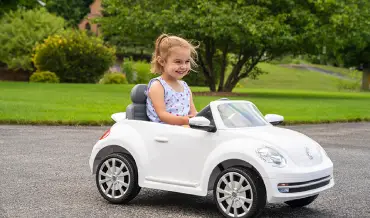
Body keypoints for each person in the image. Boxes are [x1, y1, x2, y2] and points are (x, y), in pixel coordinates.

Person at [146, 33, 198, 125]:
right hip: (163, 132)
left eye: (187, 61)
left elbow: (193, 112)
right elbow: (162, 115)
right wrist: (186, 120)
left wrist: (203, 118)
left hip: (184, 129)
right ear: (162, 61)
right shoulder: (158, 86)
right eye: (178, 62)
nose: (183, 66)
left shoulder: (185, 86)